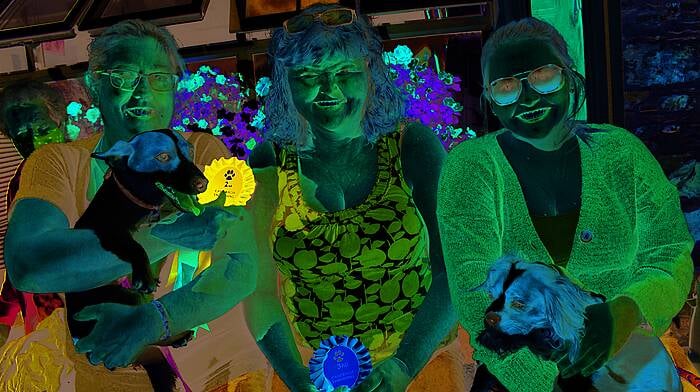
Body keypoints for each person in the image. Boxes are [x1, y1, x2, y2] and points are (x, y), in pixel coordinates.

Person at [437, 17, 694, 392]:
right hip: (520, 379)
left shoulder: (621, 153)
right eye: (506, 85)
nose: (526, 97)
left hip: (635, 372)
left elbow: (669, 251)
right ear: (491, 97)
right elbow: (475, 295)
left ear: (570, 75)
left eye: (542, 75)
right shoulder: (472, 168)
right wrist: (550, 383)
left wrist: (625, 310)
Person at [3, 19, 256, 391]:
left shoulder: (201, 152)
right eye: (123, 76)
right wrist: (166, 234)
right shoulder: (58, 162)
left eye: (158, 78)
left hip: (210, 378)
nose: (142, 93)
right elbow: (28, 264)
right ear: (95, 84)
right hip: (101, 381)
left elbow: (243, 268)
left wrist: (152, 322)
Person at [242, 3, 464, 392]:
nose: (329, 89)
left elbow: (453, 272)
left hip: (418, 365)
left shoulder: (412, 145)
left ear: (370, 74)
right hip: (307, 373)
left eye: (345, 72)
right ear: (285, 82)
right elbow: (259, 290)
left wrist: (402, 367)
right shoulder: (267, 161)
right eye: (308, 75)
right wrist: (298, 381)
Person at [0, 80, 67, 347]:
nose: (35, 143)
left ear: (60, 123)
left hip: (97, 327)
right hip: (44, 330)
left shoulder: (91, 172)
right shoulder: (21, 181)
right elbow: (21, 259)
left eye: (42, 129)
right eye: (22, 136)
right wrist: (4, 316)